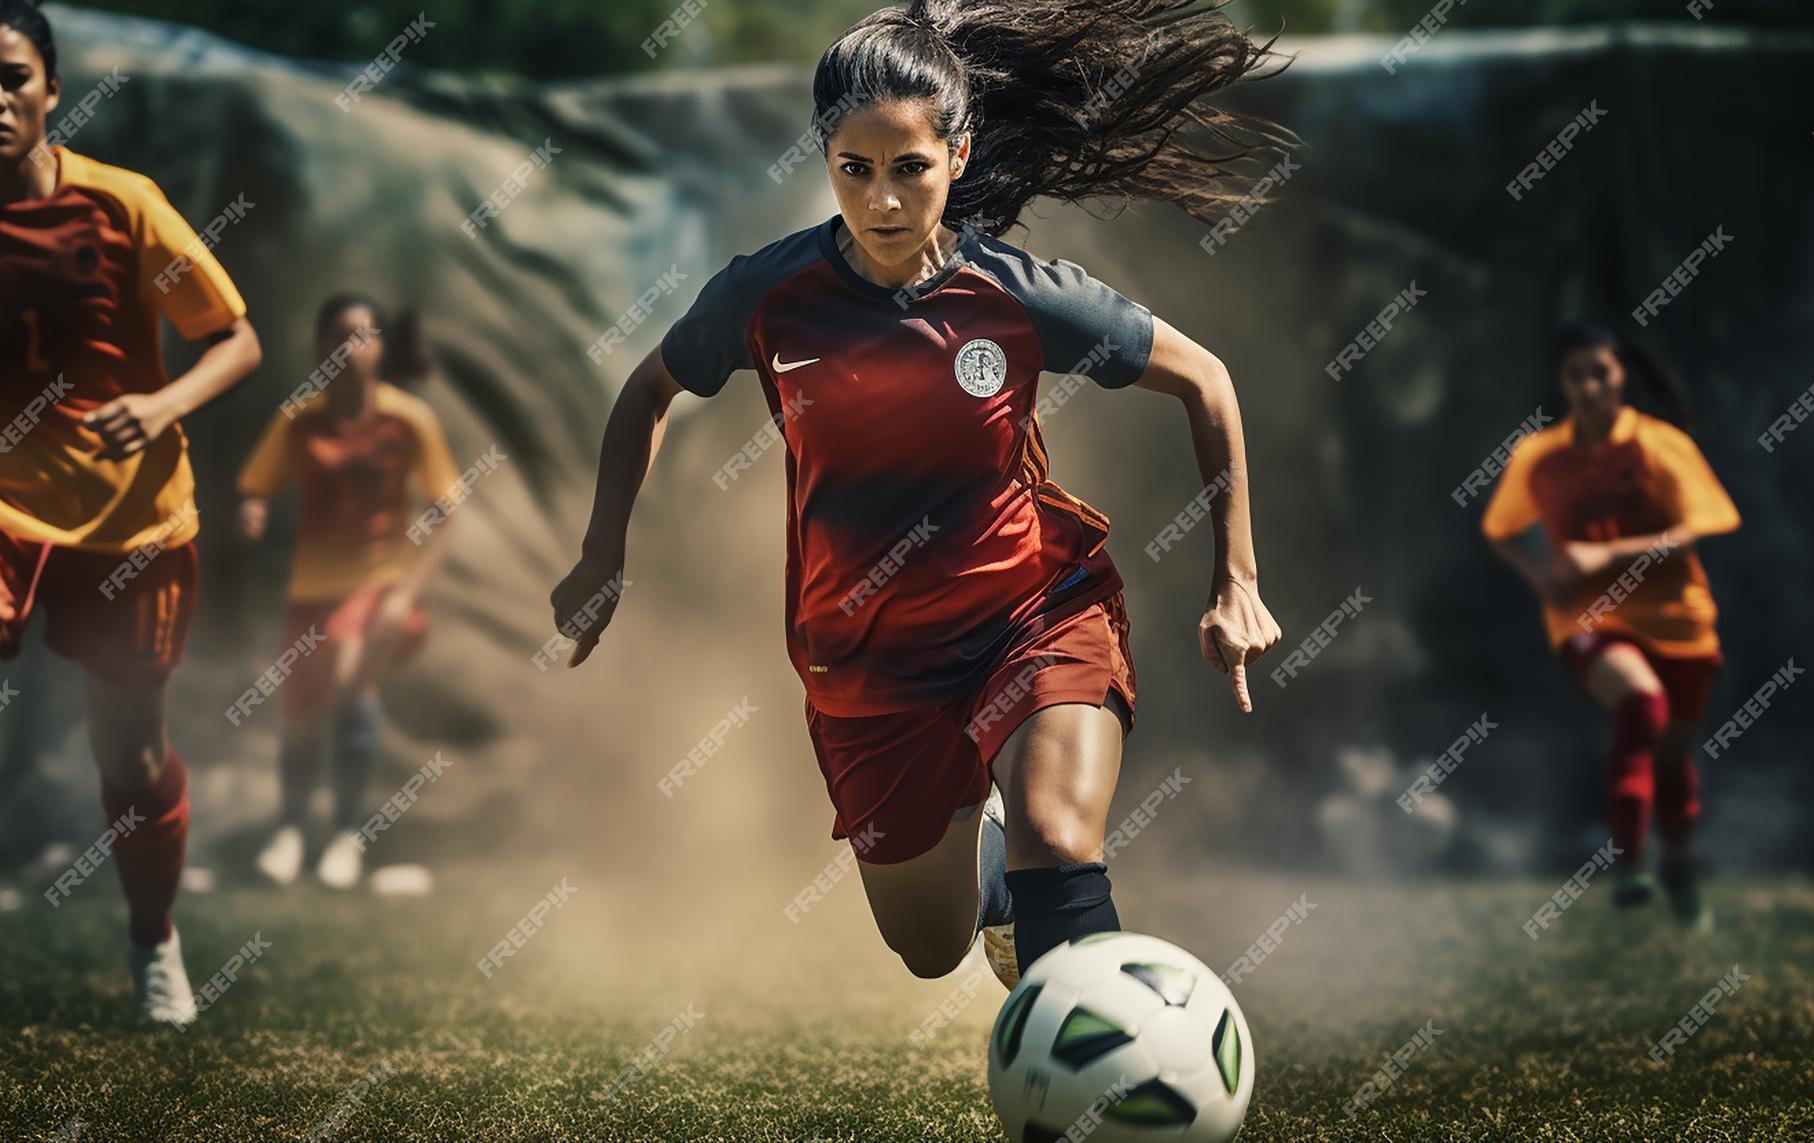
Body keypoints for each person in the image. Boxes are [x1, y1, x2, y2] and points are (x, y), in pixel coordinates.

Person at [548, 0, 1285, 986]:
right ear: (825, 159)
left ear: (960, 157)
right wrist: (603, 554)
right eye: (855, 169)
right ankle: (991, 880)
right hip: (867, 664)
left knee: (1059, 846)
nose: (883, 201)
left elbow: (1205, 381)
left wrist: (1234, 578)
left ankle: (1094, 1068)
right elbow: (649, 389)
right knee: (929, 949)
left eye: (910, 169)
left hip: (1033, 613)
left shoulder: (1015, 295)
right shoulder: (765, 295)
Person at [0, 0, 263, 1022]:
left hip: (132, 524)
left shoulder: (126, 205)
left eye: (14, 77)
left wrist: (163, 404)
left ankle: (154, 942)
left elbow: (234, 338)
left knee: (130, 758)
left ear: (52, 90)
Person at [1484, 322, 1739, 929]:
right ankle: (1631, 865)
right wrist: (1538, 573)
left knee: (1675, 760)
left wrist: (1610, 554)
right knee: (1641, 705)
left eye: (1600, 372)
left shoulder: (1661, 444)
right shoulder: (1537, 457)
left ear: (1621, 373)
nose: (1590, 386)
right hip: (1588, 617)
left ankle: (1677, 867)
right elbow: (1500, 530)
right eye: (1577, 375)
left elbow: (1702, 528)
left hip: (1680, 620)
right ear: (1562, 382)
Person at [237, 296, 456, 890]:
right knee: (302, 712)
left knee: (350, 669)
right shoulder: (299, 422)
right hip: (310, 590)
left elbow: (448, 514)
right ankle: (289, 829)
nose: (349, 348)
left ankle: (346, 835)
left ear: (381, 348)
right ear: (319, 347)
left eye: (362, 336)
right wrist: (253, 512)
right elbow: (257, 484)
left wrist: (404, 594)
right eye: (338, 336)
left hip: (380, 585)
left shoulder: (409, 421)